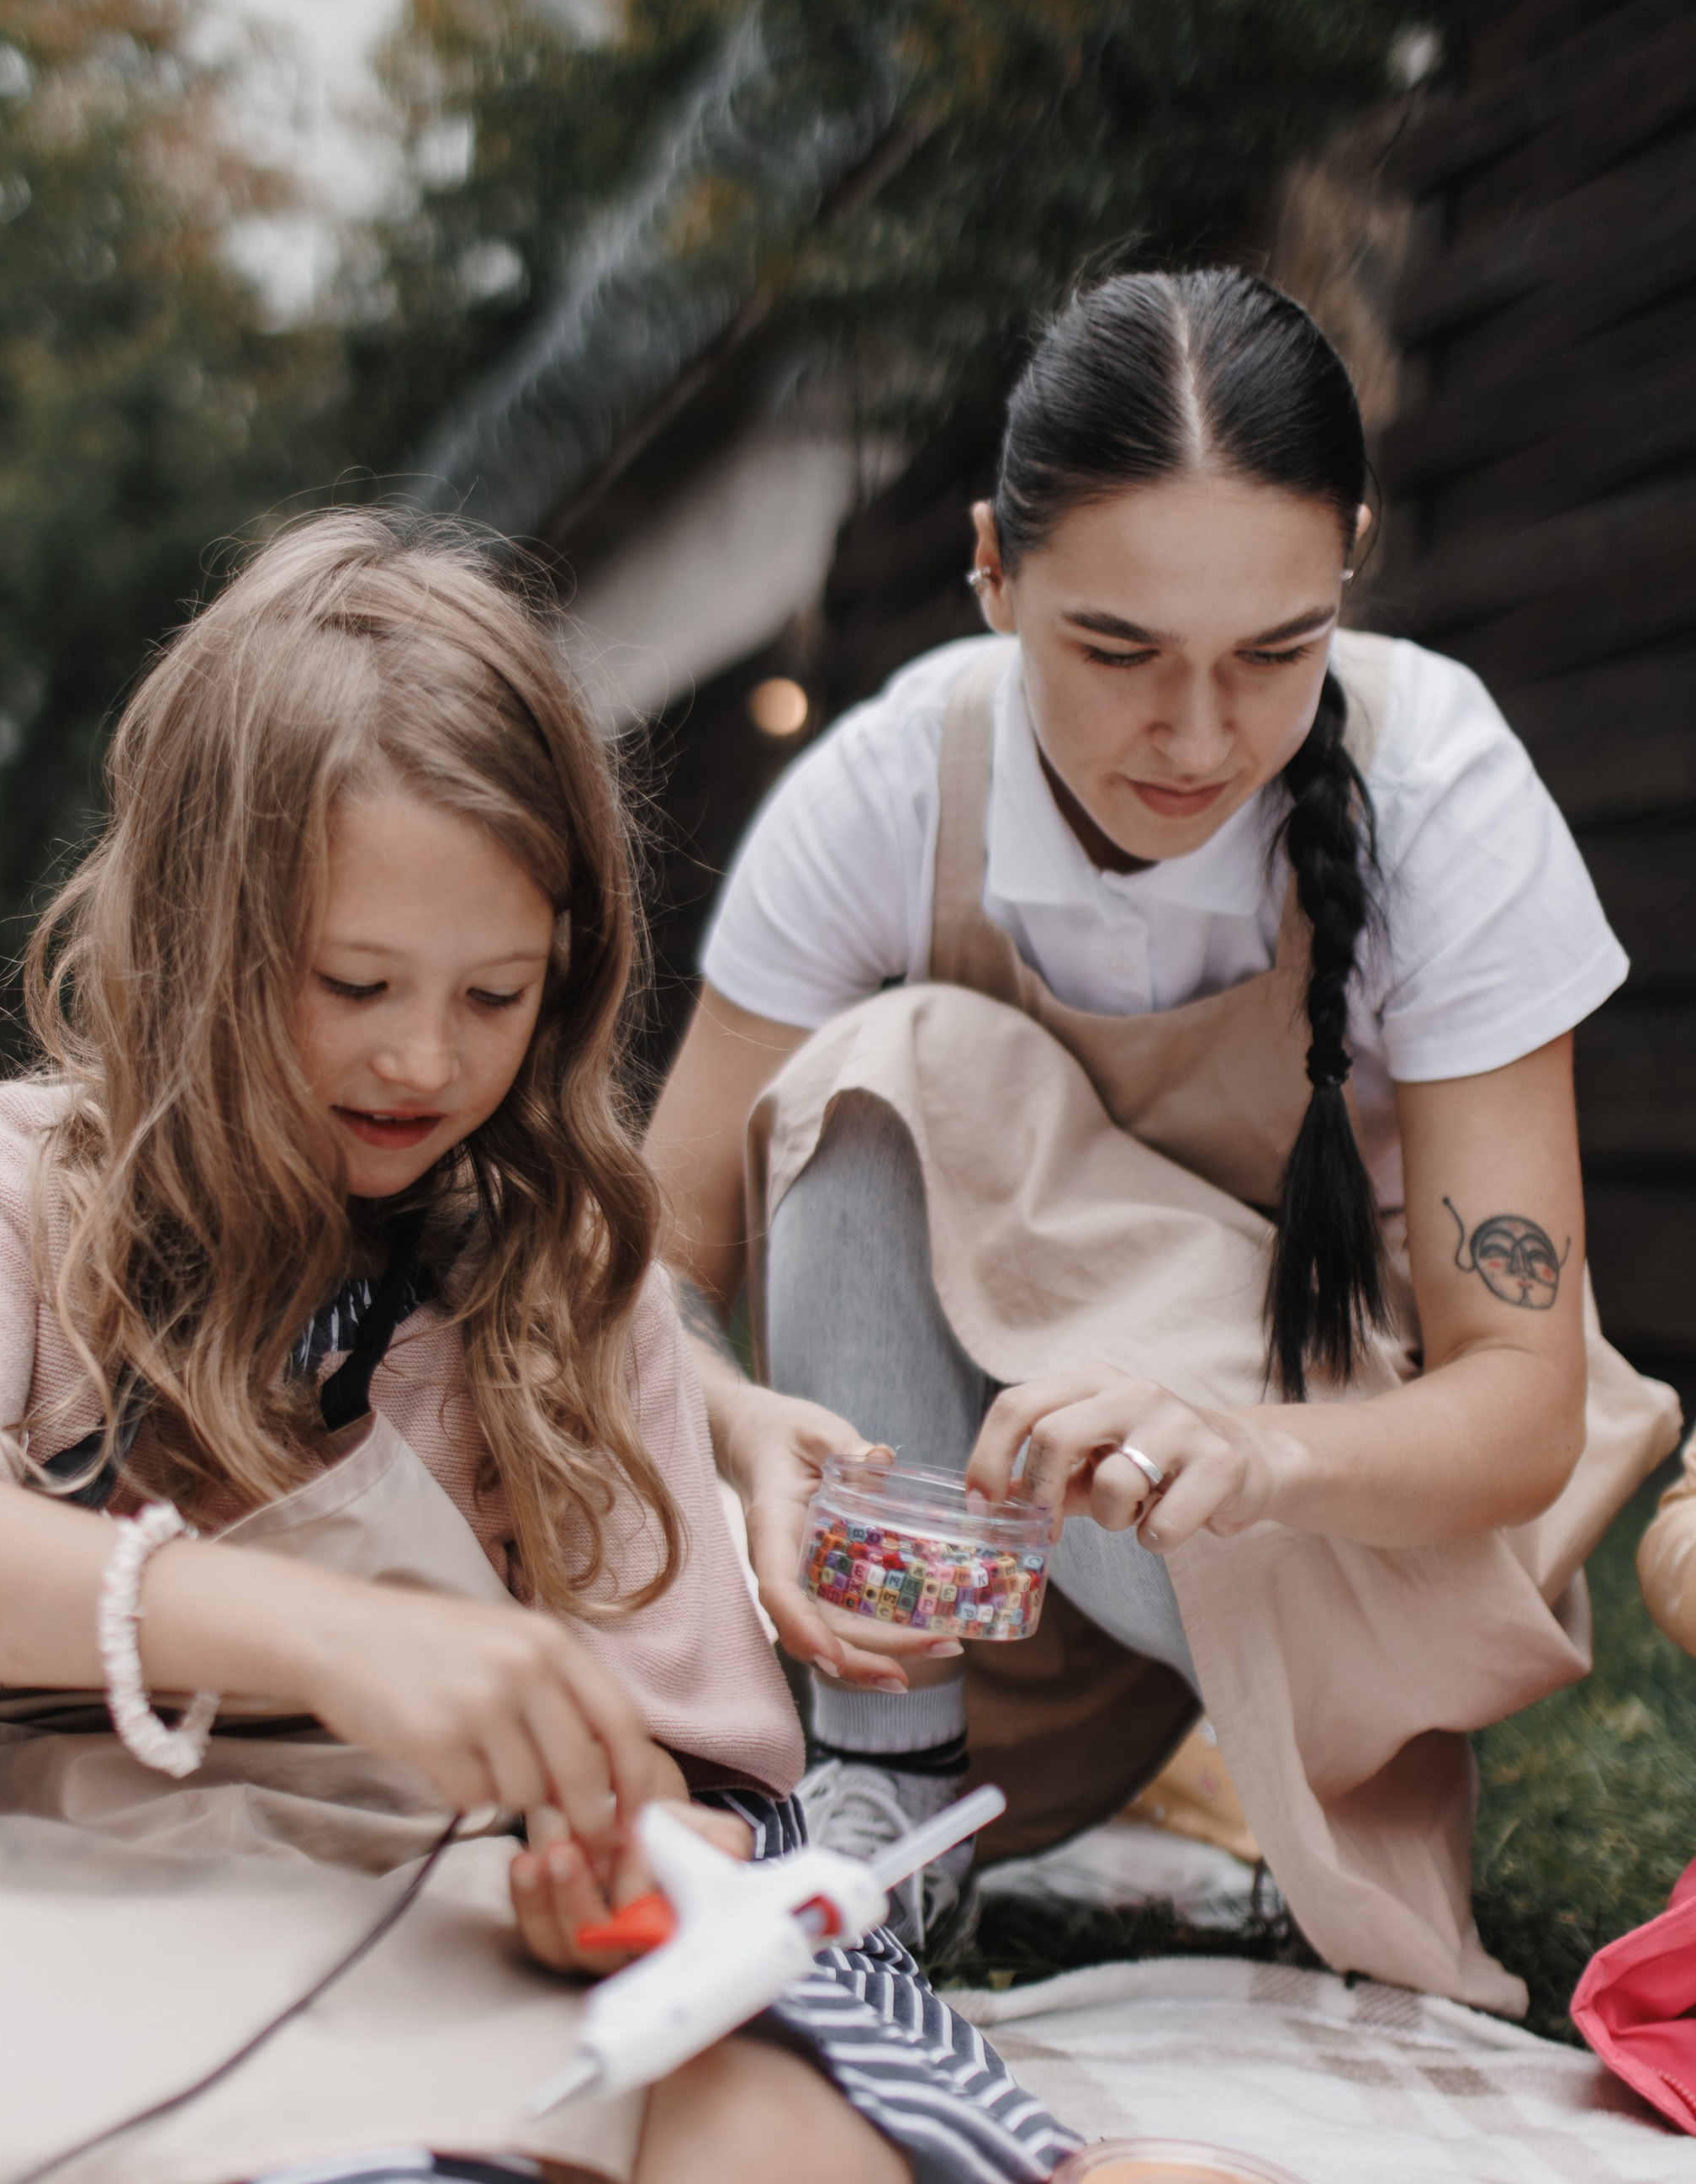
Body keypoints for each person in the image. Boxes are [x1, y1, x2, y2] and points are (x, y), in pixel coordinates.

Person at [0, 513, 1073, 2184]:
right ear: (198, 943)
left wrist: (602, 1870)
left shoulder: (565, 1253)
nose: (419, 1064)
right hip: (95, 1869)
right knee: (39, 2161)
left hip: (444, 1899)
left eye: (492, 994)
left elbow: (689, 1772)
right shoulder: (30, 1183)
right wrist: (319, 1633)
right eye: (348, 985)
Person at [646, 268, 1678, 2011]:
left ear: (1346, 565)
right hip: (998, 1560)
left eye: (1273, 655)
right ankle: (884, 1800)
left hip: (1344, 1516)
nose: (1195, 739)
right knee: (876, 1072)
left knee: (909, 1058)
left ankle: (1210, 1765)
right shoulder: (888, 792)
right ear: (991, 571)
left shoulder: (1437, 784)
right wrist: (741, 1427)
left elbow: (1515, 1406)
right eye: (1113, 652)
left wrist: (1247, 1451)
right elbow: (648, 1266)